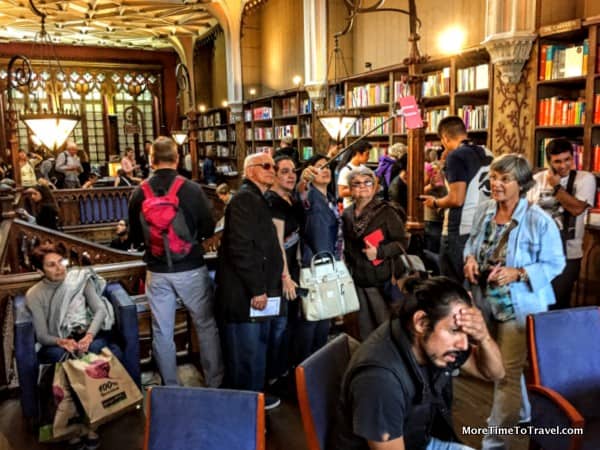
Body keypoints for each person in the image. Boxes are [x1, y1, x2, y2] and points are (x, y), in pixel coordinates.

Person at [463, 154, 565, 450]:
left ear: (520, 184)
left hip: (519, 307)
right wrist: (469, 259)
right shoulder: (484, 211)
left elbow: (555, 262)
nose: (496, 184)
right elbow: (472, 243)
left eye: (504, 179)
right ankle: (522, 413)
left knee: (504, 375)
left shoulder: (538, 220)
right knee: (504, 367)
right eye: (494, 177)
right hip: (486, 303)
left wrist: (520, 272)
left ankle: (494, 443)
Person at [331, 276, 505, 450]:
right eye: (454, 331)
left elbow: (494, 373)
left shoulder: (432, 344)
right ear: (421, 322)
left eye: (465, 333)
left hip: (419, 440)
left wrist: (483, 337)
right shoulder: (380, 380)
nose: (464, 344)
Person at [129, 136, 224, 387]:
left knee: (162, 331)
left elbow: (135, 236)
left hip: (157, 270)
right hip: (191, 266)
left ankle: (170, 385)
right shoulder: (191, 189)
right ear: (177, 158)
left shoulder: (139, 192)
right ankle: (214, 381)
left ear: (151, 160)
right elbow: (208, 227)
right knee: (205, 325)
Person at [26, 242, 122, 450]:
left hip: (89, 334)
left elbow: (99, 311)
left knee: (89, 353)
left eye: (61, 262)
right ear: (39, 269)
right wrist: (62, 341)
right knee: (69, 361)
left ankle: (88, 424)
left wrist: (88, 336)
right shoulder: (35, 294)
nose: (59, 268)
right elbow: (42, 335)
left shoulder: (79, 279)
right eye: (51, 265)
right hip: (58, 341)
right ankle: (78, 427)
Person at [216, 152, 284, 410]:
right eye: (266, 166)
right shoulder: (245, 199)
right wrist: (258, 289)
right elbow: (241, 249)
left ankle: (254, 399)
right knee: (247, 352)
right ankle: (247, 406)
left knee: (256, 349)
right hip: (245, 294)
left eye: (274, 166)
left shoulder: (257, 198)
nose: (272, 170)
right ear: (250, 170)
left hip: (257, 291)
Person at [420, 116, 493, 284]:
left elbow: (457, 199)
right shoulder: (487, 151)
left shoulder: (457, 156)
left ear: (445, 138)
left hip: (459, 229)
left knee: (453, 284)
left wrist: (435, 203)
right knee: (474, 281)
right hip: (483, 223)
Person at [527, 138, 596, 309]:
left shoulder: (584, 179)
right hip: (536, 251)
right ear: (549, 161)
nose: (564, 165)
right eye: (557, 161)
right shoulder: (536, 179)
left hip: (568, 253)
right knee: (535, 302)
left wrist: (557, 188)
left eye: (567, 160)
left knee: (557, 302)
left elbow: (577, 209)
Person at [342, 166, 407, 340]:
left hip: (383, 279)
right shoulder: (347, 214)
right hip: (359, 279)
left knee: (386, 327)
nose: (362, 186)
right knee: (365, 331)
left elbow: (403, 242)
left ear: (374, 186)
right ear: (350, 189)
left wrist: (379, 252)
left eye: (367, 182)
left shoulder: (386, 211)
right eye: (356, 183)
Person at [298, 154, 343, 362]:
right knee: (312, 318)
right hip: (315, 264)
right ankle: (304, 365)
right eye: (319, 167)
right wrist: (303, 182)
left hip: (331, 263)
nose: (324, 170)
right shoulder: (310, 195)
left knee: (325, 317)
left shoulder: (331, 198)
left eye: (327, 167)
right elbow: (300, 196)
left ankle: (319, 361)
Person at [265, 155, 304, 381]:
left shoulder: (291, 199)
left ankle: (285, 369)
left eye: (293, 171)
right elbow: (277, 243)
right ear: (274, 176)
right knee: (278, 326)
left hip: (294, 268)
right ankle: (272, 375)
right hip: (280, 273)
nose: (291, 175)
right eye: (285, 171)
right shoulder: (273, 201)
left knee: (290, 322)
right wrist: (285, 276)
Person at [337, 140, 372, 209]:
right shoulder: (346, 170)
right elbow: (341, 192)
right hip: (351, 209)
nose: (369, 157)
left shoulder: (366, 169)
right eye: (367, 154)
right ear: (358, 153)